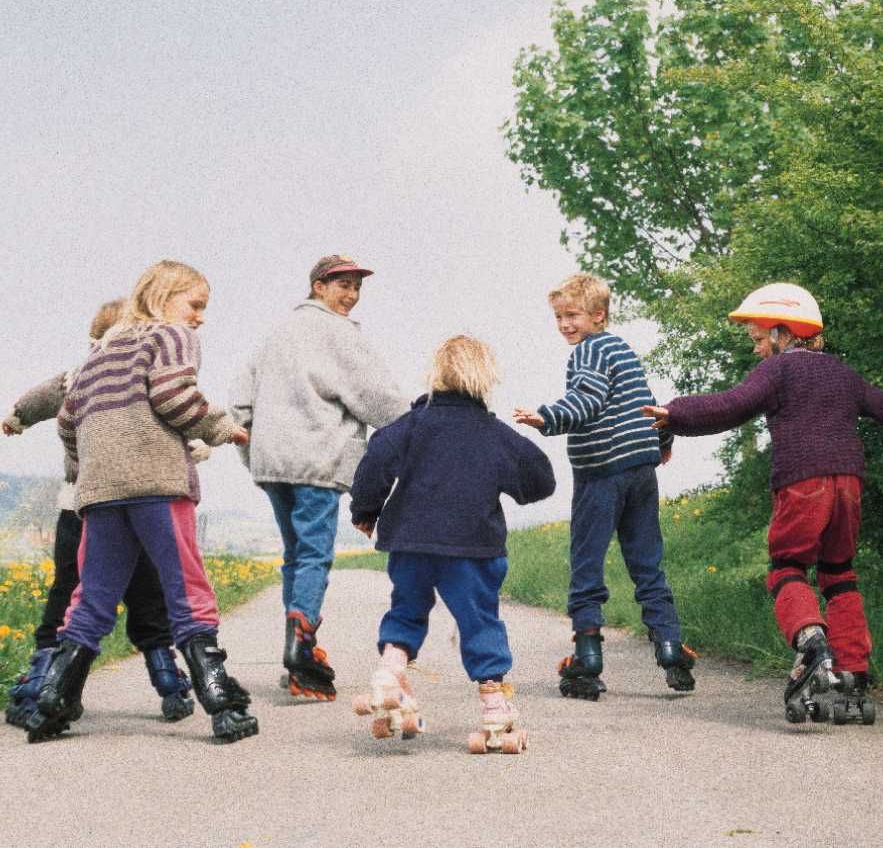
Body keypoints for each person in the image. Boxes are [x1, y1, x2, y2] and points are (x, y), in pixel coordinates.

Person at [25, 259, 258, 744]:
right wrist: (220, 429)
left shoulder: (99, 352)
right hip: (156, 486)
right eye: (195, 304)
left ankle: (52, 701)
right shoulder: (169, 336)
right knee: (185, 587)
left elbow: (69, 420)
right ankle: (220, 699)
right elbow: (174, 396)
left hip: (100, 493)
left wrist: (87, 467)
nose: (199, 317)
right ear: (162, 297)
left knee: (91, 598)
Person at [643, 282, 881, 724]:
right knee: (839, 574)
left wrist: (675, 412)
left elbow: (732, 405)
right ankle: (854, 676)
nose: (756, 349)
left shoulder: (780, 372)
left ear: (783, 333)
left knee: (787, 567)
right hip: (849, 482)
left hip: (802, 483)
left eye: (758, 338)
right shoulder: (844, 374)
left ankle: (813, 644)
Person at [349, 335, 555, 752]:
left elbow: (375, 457)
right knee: (479, 621)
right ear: (484, 380)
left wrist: (366, 510)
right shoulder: (494, 434)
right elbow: (540, 478)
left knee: (406, 610)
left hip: (411, 541)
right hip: (471, 546)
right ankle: (495, 706)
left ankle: (390, 670)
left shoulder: (410, 426)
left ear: (436, 376)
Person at [4, 298, 197, 729]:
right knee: (149, 598)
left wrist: (16, 418)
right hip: (140, 504)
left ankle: (42, 682)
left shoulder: (78, 374)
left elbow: (37, 400)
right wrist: (196, 446)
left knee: (68, 594)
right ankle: (168, 678)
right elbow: (177, 411)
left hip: (81, 503)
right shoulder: (142, 374)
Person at [230, 254, 408, 702]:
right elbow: (374, 397)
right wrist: (416, 422)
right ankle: (302, 647)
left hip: (271, 462)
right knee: (313, 555)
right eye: (341, 285)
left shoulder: (277, 333)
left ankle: (295, 646)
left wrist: (248, 446)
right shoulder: (340, 334)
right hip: (317, 458)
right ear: (318, 287)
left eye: (355, 287)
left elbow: (241, 397)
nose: (350, 294)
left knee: (294, 554)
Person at [514, 272, 696, 699]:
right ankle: (670, 646)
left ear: (598, 315)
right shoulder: (623, 349)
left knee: (587, 563)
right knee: (647, 561)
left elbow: (588, 399)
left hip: (601, 475)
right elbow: (649, 402)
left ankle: (587, 656)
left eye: (572, 315)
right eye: (559, 317)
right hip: (640, 470)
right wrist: (662, 441)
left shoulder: (589, 353)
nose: (564, 325)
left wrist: (546, 417)